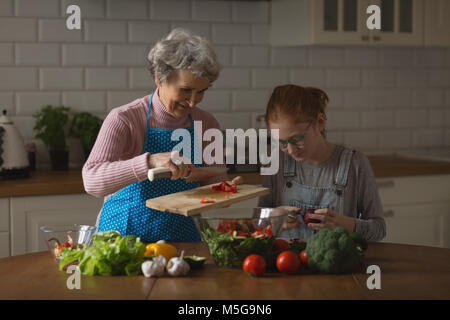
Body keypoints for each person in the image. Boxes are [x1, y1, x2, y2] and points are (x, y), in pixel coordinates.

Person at [83, 28, 242, 242]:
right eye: (186, 90)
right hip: (122, 237)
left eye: (201, 91)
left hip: (182, 237)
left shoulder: (206, 124)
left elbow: (212, 185)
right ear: (159, 79)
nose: (194, 101)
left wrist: (225, 191)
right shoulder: (124, 119)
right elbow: (92, 181)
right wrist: (149, 161)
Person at [258, 84, 386, 241]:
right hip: (286, 263)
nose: (290, 150)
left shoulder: (355, 163)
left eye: (297, 139)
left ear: (320, 122)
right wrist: (271, 217)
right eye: (281, 142)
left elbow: (379, 229)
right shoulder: (276, 161)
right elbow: (258, 223)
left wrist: (347, 225)